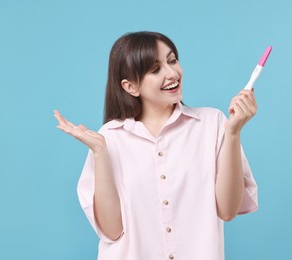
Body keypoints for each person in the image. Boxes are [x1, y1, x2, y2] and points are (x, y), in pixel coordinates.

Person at [54, 31, 258, 260]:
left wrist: (233, 133)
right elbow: (111, 230)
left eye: (172, 61)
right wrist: (100, 152)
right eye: (155, 69)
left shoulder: (213, 123)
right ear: (130, 86)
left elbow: (228, 211)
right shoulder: (109, 138)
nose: (172, 73)